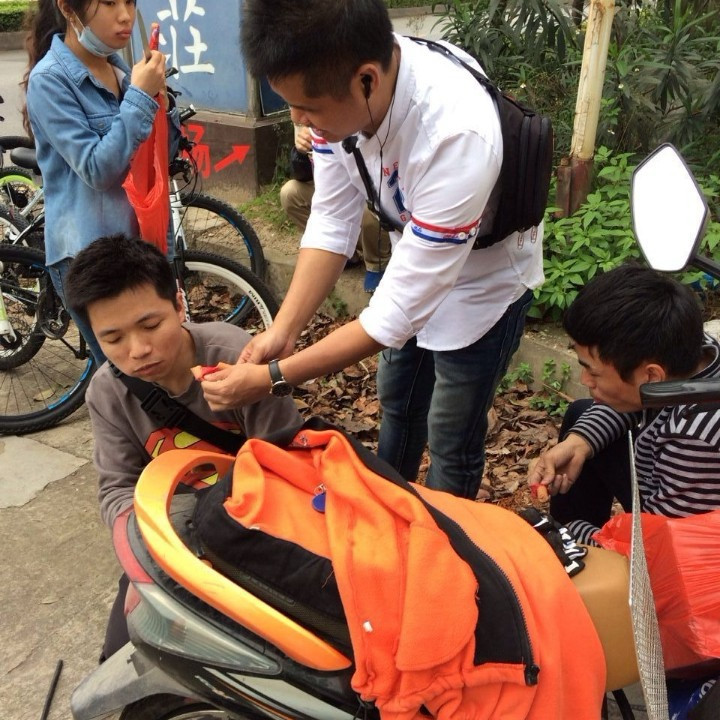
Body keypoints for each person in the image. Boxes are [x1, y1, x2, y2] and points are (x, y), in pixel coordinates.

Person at [199, 0, 544, 501]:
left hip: (483, 285)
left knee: (451, 434)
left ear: (366, 79)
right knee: (398, 400)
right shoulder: (344, 92)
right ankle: (389, 506)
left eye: (308, 107)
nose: (299, 120)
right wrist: (282, 331)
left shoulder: (456, 133)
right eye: (290, 104)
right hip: (414, 253)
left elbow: (392, 317)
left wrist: (271, 378)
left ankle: (444, 532)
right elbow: (332, 220)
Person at [64, 234, 303, 660]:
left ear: (178, 304)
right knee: (126, 656)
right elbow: (118, 489)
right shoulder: (107, 393)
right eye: (113, 338)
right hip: (174, 539)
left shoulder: (238, 359)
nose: (138, 350)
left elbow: (288, 464)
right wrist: (145, 559)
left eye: (150, 326)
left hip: (261, 529)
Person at [23, 0, 180, 363]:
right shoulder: (50, 80)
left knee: (159, 369)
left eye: (130, 2)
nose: (125, 15)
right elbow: (97, 169)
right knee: (131, 376)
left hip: (143, 245)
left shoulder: (122, 70)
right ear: (68, 8)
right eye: (109, 3)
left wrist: (162, 100)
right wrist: (141, 97)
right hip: (92, 257)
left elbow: (160, 157)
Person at [528, 263, 720, 544]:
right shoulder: (690, 348)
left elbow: (658, 548)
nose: (584, 379)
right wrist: (579, 444)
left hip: (688, 542)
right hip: (666, 489)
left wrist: (569, 532)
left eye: (593, 371)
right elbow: (632, 398)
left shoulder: (694, 438)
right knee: (582, 415)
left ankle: (572, 550)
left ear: (651, 376)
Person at [280, 124, 392, 293]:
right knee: (290, 193)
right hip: (340, 204)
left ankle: (377, 264)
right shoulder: (319, 128)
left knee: (371, 208)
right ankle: (344, 254)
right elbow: (303, 176)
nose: (300, 118)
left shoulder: (372, 124)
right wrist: (300, 152)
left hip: (377, 212)